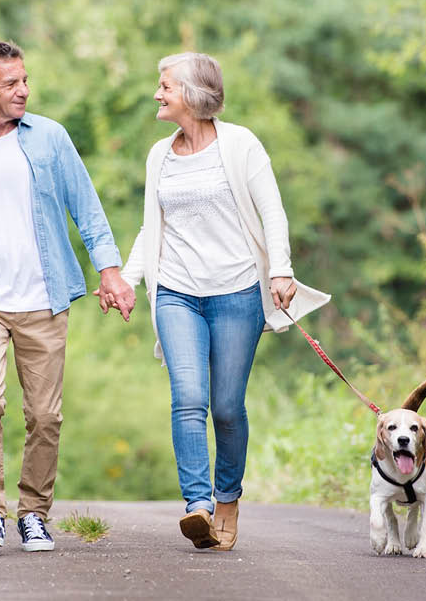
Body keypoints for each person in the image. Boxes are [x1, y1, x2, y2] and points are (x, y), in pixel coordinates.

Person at [0, 40, 134, 553]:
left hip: (43, 295)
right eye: (11, 84)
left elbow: (88, 207)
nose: (24, 91)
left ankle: (33, 514)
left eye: (25, 80)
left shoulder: (50, 138)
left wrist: (111, 271)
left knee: (45, 415)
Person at [119, 52, 329, 550]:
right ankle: (198, 506)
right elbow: (154, 226)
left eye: (165, 86)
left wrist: (281, 269)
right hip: (176, 292)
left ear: (191, 94)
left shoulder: (241, 144)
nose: (157, 94)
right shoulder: (159, 155)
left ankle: (228, 498)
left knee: (228, 408)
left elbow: (272, 212)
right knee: (188, 398)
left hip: (236, 292)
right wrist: (128, 279)